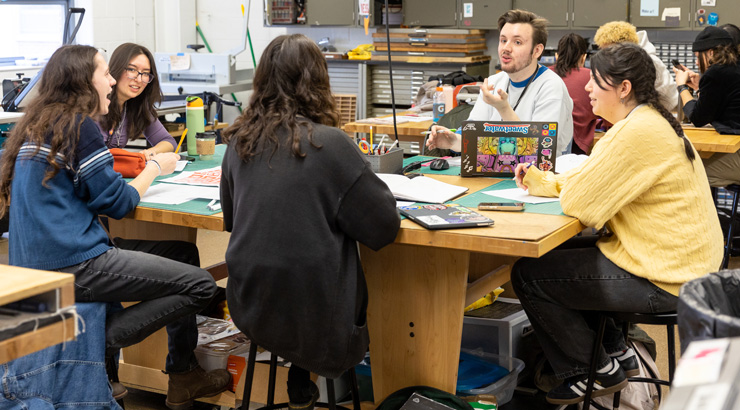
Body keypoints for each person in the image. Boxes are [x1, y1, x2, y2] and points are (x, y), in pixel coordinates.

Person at [0, 45, 231, 410]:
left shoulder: (39, 124)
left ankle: (182, 374)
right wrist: (155, 168)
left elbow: (85, 194)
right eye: (106, 73)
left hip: (43, 262)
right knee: (202, 284)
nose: (112, 81)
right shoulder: (79, 126)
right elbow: (120, 204)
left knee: (183, 253)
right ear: (82, 82)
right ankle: (95, 345)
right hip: (75, 263)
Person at [511, 43, 722, 405]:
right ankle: (615, 350)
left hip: (668, 278)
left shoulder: (633, 133)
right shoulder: (647, 121)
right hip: (686, 266)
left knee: (529, 275)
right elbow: (596, 181)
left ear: (623, 88)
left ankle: (588, 369)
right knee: (564, 253)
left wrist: (558, 186)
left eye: (596, 81)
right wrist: (542, 181)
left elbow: (583, 204)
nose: (587, 88)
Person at [220, 34, 400, 410]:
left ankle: (301, 380)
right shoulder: (330, 144)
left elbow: (232, 218)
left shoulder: (239, 141)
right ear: (317, 81)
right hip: (318, 312)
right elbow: (383, 228)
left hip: (251, 302)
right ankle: (309, 377)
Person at [427, 9, 574, 156]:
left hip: (538, 175)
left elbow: (538, 149)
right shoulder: (493, 82)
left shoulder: (551, 86)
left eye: (517, 42)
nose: (506, 48)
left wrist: (503, 108)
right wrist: (453, 141)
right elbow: (472, 135)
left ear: (537, 50)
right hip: (493, 171)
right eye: (503, 40)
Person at [675, 26, 740, 187]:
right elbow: (722, 104)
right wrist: (699, 89)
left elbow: (698, 118)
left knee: (682, 171)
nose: (696, 62)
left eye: (698, 56)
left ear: (711, 52)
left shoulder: (716, 73)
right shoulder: (733, 68)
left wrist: (682, 87)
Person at [98, 43, 177, 157]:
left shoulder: (135, 106)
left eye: (145, 73)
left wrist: (148, 153)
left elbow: (169, 142)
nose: (139, 79)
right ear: (116, 68)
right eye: (132, 69)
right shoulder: (96, 105)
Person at [594, 21, 678, 112]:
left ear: (621, 46)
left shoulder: (646, 62)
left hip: (664, 112)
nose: (606, 57)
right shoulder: (630, 60)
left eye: (608, 51)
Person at [551, 33, 598, 155]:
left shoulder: (543, 74)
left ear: (557, 56)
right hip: (577, 147)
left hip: (546, 141)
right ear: (583, 57)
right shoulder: (591, 76)